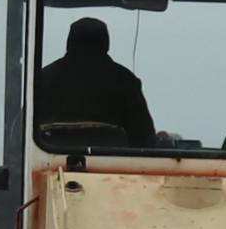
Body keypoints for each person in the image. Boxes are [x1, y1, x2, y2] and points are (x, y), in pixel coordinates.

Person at [34, 16, 156, 144]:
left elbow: (18, 132)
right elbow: (145, 138)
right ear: (106, 42)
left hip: (47, 163)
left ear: (69, 41)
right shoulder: (125, 81)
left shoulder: (44, 78)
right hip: (115, 163)